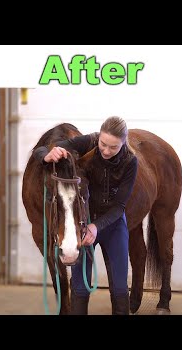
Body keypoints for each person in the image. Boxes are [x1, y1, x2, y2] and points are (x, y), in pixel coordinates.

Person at [33, 116, 138, 315]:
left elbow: (119, 207)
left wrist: (96, 226)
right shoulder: (88, 141)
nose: (106, 151)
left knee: (120, 287)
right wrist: (48, 154)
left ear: (123, 143)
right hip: (84, 221)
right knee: (80, 287)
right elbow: (42, 150)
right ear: (99, 137)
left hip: (112, 225)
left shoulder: (131, 162)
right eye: (103, 144)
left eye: (113, 147)